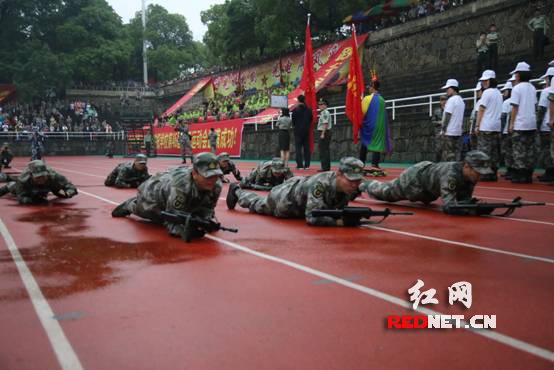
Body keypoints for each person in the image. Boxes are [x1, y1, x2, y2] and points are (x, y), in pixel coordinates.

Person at [111, 152, 223, 240]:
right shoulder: (180, 186)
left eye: (215, 175)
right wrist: (185, 231)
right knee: (157, 217)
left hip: (174, 193)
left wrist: (207, 221)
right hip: (152, 194)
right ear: (195, 174)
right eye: (207, 176)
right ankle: (130, 205)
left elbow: (208, 209)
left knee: (191, 214)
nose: (212, 180)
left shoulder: (216, 185)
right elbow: (171, 221)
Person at [226, 157, 364, 226]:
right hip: (285, 200)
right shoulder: (321, 184)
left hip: (296, 188)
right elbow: (312, 217)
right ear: (339, 174)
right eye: (350, 180)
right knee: (257, 204)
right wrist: (341, 222)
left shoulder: (346, 187)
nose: (354, 185)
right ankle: (237, 191)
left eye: (357, 181)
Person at [360, 151, 493, 215]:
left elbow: (464, 200)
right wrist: (475, 210)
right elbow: (449, 207)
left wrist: (474, 204)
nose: (480, 176)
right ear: (467, 166)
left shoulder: (470, 177)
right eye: (478, 171)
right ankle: (363, 184)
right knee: (386, 192)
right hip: (415, 180)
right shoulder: (451, 175)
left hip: (427, 188)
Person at [508, 62, 537, 183]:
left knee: (519, 150)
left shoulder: (517, 88)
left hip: (520, 123)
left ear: (519, 75)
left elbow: (515, 107)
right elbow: (535, 105)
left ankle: (520, 174)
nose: (515, 76)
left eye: (516, 74)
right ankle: (528, 174)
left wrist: (511, 123)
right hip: (531, 122)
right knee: (529, 149)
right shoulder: (532, 87)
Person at [0, 160, 78, 204]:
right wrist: (36, 201)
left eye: (43, 176)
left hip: (48, 186)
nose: (41, 179)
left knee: (59, 192)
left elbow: (70, 187)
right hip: (30, 188)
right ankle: (8, 180)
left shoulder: (53, 176)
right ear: (31, 175)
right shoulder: (23, 180)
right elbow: (21, 198)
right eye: (38, 177)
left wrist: (69, 192)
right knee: (12, 186)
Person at [475, 70, 503, 181]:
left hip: (486, 126)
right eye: (483, 81)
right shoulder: (498, 93)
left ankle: (486, 174)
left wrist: (477, 125)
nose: (483, 83)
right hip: (496, 126)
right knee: (494, 151)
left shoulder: (486, 93)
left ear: (491, 80)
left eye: (485, 80)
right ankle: (493, 173)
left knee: (484, 151)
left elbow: (481, 109)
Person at [359, 80, 390, 169]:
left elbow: (362, 112)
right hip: (380, 126)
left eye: (369, 88)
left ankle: (361, 163)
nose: (368, 89)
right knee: (378, 144)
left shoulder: (367, 98)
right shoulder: (382, 100)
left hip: (369, 126)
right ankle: (375, 164)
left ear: (372, 87)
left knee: (365, 143)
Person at [440, 79, 465, 161]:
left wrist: (443, 129)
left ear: (452, 88)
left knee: (448, 155)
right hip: (458, 131)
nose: (446, 91)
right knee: (457, 154)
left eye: (447, 89)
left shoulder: (451, 100)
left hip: (449, 131)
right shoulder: (461, 100)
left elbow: (448, 115)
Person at [537, 67, 554, 182]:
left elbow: (541, 109)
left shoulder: (546, 91)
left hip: (546, 124)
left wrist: (537, 125)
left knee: (547, 151)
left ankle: (549, 173)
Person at [292, 95, 312, 170]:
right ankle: (307, 165)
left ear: (298, 101)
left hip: (297, 131)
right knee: (307, 148)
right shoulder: (308, 109)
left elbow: (293, 121)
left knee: (298, 148)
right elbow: (311, 119)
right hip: (306, 131)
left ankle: (300, 165)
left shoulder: (295, 110)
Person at [500, 80, 515, 179]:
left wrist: (501, 130)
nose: (504, 93)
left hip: (506, 131)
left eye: (505, 91)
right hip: (514, 129)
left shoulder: (506, 102)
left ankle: (510, 170)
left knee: (507, 152)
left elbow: (503, 117)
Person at [317, 99, 332, 172]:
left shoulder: (325, 113)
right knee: (324, 150)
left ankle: (325, 167)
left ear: (325, 105)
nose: (320, 106)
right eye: (319, 104)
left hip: (324, 132)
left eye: (322, 104)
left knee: (323, 150)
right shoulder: (324, 112)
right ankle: (325, 167)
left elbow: (325, 124)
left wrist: (323, 134)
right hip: (325, 132)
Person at [430, 96, 447, 162]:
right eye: (442, 100)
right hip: (438, 132)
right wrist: (439, 122)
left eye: (445, 100)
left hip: (448, 132)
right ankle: (437, 164)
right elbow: (433, 121)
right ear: (440, 102)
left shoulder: (450, 109)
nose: (444, 101)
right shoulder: (436, 111)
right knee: (438, 150)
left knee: (447, 150)